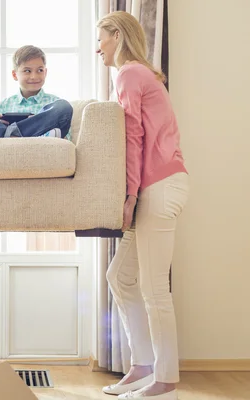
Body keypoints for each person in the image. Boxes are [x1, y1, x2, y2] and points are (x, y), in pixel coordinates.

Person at [97, 11, 190, 400]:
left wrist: (130, 195)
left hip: (158, 187)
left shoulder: (129, 73)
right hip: (159, 185)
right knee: (120, 277)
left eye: (100, 38)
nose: (98, 47)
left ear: (117, 35)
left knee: (154, 290)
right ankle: (143, 364)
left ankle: (166, 379)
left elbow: (132, 138)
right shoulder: (139, 75)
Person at [0, 45, 73, 139]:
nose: (34, 76)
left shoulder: (53, 102)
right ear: (15, 75)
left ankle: (14, 135)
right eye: (27, 71)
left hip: (38, 139)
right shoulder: (5, 104)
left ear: (45, 72)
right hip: (7, 143)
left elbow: (67, 135)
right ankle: (10, 135)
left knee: (64, 107)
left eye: (40, 70)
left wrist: (35, 122)